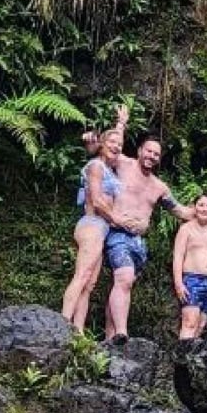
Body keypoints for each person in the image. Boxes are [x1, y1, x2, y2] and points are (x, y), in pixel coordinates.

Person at [103, 137, 200, 339]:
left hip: (138, 243)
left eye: (156, 154)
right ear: (139, 151)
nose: (152, 156)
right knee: (125, 278)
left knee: (122, 284)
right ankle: (122, 332)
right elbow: (106, 148)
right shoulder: (124, 164)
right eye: (149, 151)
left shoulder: (159, 187)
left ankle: (110, 338)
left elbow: (180, 211)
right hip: (118, 234)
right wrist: (117, 126)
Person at [61, 107, 137, 330]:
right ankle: (62, 324)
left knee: (90, 284)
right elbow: (96, 200)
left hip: (101, 230)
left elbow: (114, 140)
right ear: (101, 146)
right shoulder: (95, 166)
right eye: (111, 143)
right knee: (82, 276)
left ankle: (77, 331)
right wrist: (118, 220)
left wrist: (121, 123)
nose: (116, 146)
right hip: (92, 224)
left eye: (120, 145)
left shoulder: (110, 170)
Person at [173, 193, 207, 340]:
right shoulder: (186, 229)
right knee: (190, 322)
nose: (204, 209)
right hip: (192, 280)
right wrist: (178, 283)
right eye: (201, 205)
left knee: (201, 325)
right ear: (194, 208)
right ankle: (181, 358)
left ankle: (190, 360)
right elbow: (178, 257)